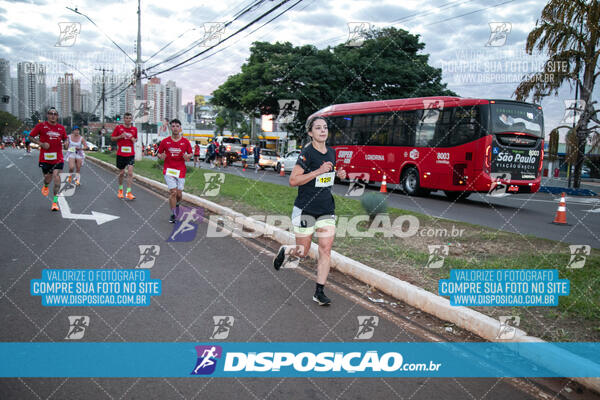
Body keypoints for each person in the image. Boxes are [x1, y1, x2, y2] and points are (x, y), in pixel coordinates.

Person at [273, 117, 346, 306]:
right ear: (310, 133)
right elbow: (293, 181)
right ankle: (286, 250)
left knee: (325, 248)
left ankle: (319, 292)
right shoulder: (307, 153)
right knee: (302, 252)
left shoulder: (332, 152)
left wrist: (338, 174)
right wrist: (318, 171)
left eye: (325, 128)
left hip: (326, 208)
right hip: (305, 208)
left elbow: (327, 177)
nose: (323, 131)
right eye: (318, 128)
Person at [29, 107, 68, 211]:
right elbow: (30, 137)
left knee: (57, 178)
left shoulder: (61, 128)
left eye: (55, 114)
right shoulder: (41, 126)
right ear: (47, 115)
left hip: (58, 158)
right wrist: (41, 144)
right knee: (48, 178)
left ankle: (55, 202)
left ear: (57, 116)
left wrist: (66, 142)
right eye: (51, 113)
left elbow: (65, 138)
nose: (53, 115)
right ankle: (46, 186)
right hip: (45, 159)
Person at [157, 119, 193, 223]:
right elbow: (159, 154)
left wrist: (187, 156)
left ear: (180, 128)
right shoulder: (165, 141)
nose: (175, 128)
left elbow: (190, 154)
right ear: (170, 128)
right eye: (173, 126)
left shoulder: (185, 142)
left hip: (180, 171)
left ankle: (177, 204)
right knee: (173, 192)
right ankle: (174, 214)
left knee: (179, 194)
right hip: (169, 170)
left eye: (177, 126)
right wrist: (161, 156)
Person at [111, 112, 137, 200]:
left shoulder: (134, 129)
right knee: (121, 173)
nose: (128, 120)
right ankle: (120, 190)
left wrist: (134, 139)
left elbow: (135, 139)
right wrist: (120, 136)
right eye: (126, 118)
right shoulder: (119, 128)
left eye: (129, 118)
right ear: (124, 119)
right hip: (121, 154)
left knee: (130, 173)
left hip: (130, 154)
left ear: (131, 119)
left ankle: (129, 192)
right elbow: (112, 138)